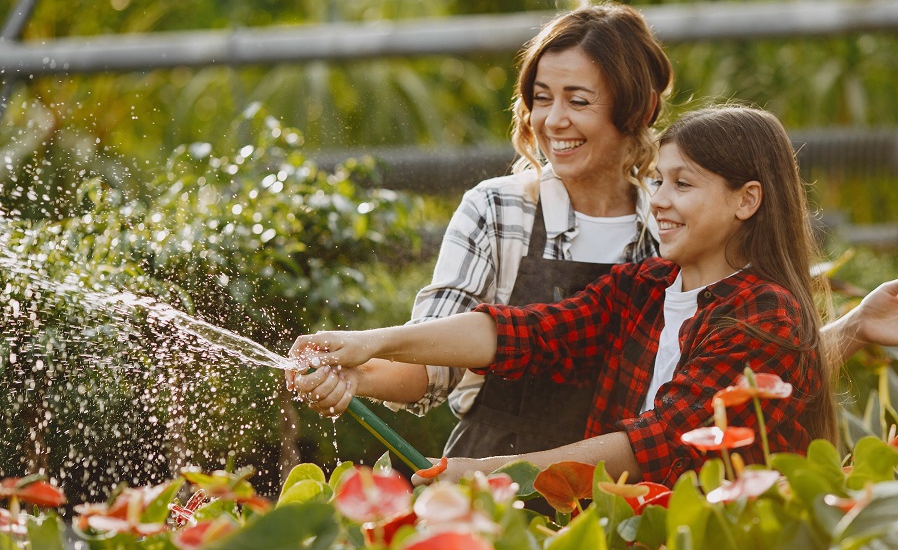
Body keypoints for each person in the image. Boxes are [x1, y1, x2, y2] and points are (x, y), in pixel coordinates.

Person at [287, 1, 898, 460]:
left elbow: (721, 385)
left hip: (612, 485)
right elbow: (482, 347)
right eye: (541, 98)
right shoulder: (505, 213)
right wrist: (358, 367)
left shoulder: (670, 237)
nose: (553, 120)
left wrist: (852, 328)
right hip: (506, 469)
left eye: (578, 100)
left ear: (634, 107)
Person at [290, 104, 839, 486]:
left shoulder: (765, 314)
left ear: (746, 200)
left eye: (684, 184)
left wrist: (482, 474)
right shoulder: (645, 286)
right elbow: (527, 333)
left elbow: (654, 445)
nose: (659, 200)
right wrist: (369, 344)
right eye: (658, 180)